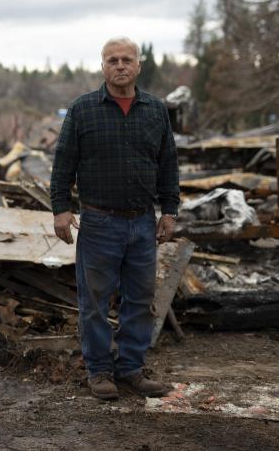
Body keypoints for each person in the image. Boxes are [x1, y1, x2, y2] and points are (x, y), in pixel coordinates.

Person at [49, 36, 180, 400]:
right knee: (95, 301)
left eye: (126, 60)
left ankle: (131, 370)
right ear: (102, 66)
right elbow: (63, 164)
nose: (119, 66)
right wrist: (60, 208)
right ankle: (100, 371)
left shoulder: (155, 111)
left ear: (138, 66)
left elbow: (168, 163)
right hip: (98, 223)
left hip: (142, 223)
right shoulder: (83, 109)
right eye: (112, 60)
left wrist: (169, 211)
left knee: (139, 299)